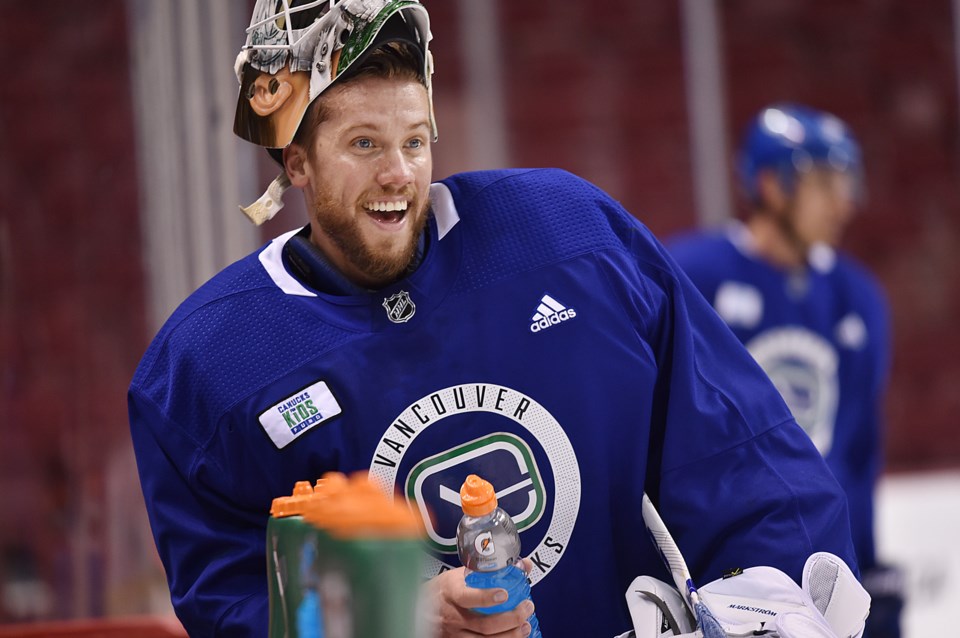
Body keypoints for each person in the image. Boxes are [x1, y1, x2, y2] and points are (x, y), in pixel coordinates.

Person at [128, 3, 862, 637]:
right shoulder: (207, 370)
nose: (398, 174)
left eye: (415, 141)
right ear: (295, 161)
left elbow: (738, 449)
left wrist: (774, 588)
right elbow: (233, 603)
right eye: (363, 145)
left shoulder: (567, 237)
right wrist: (398, 618)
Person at [668, 104, 901, 638]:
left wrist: (867, 560)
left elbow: (858, 449)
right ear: (773, 185)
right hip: (730, 561)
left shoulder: (858, 297)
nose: (844, 202)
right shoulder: (693, 274)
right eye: (825, 183)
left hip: (828, 561)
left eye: (847, 182)